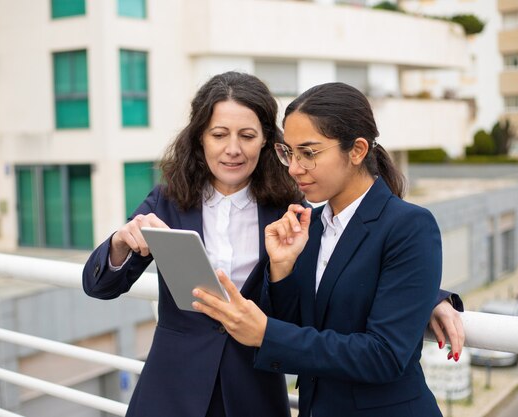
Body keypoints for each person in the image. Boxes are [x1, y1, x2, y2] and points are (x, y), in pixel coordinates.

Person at [83, 73, 462, 417]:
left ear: (266, 140)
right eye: (218, 134)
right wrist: (119, 242)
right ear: (199, 138)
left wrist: (429, 297)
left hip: (253, 391)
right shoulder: (167, 201)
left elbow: (356, 250)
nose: (233, 149)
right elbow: (100, 285)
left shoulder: (294, 206)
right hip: (171, 390)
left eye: (247, 136)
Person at [193, 82, 457, 416]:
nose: (294, 168)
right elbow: (297, 329)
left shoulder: (409, 225)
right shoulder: (309, 226)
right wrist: (281, 268)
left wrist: (266, 333)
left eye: (309, 153)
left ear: (357, 151)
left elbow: (385, 355)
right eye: (289, 152)